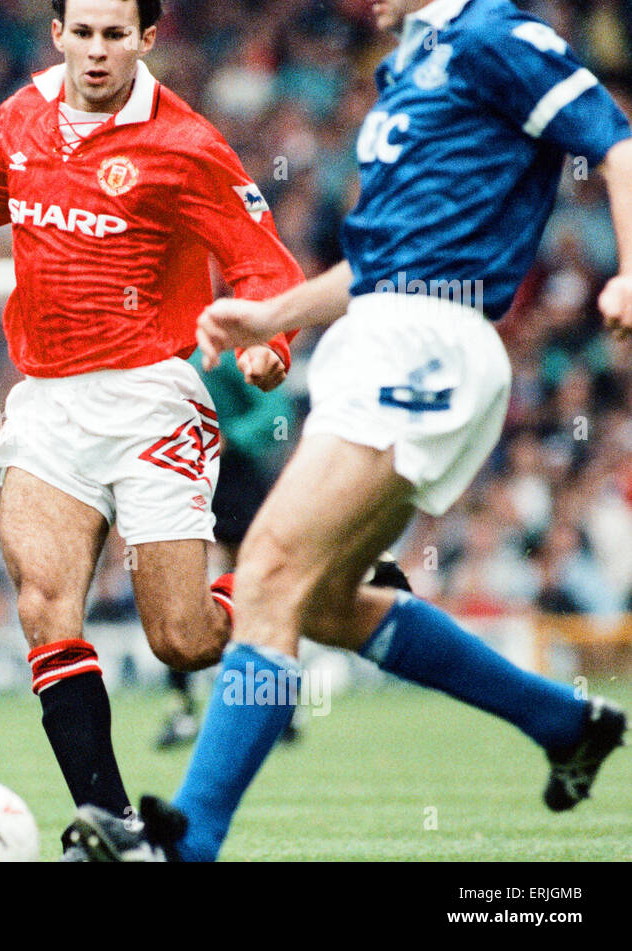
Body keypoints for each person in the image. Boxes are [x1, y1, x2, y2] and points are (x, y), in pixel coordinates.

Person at [70, 0, 632, 861]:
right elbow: (377, 263)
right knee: (324, 599)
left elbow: (616, 141)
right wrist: (270, 315)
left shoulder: (496, 35)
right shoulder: (406, 67)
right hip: (376, 333)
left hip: (426, 343)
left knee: (265, 573)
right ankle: (564, 722)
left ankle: (186, 843)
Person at [0, 0, 304, 859]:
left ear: (146, 39)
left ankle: (303, 575)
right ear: (57, 33)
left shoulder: (186, 145)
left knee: (184, 638)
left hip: (154, 394)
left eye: (114, 34)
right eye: (81, 32)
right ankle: (116, 824)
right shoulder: (24, 111)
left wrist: (271, 341)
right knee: (46, 605)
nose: (95, 50)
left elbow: (261, 257)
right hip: (48, 400)